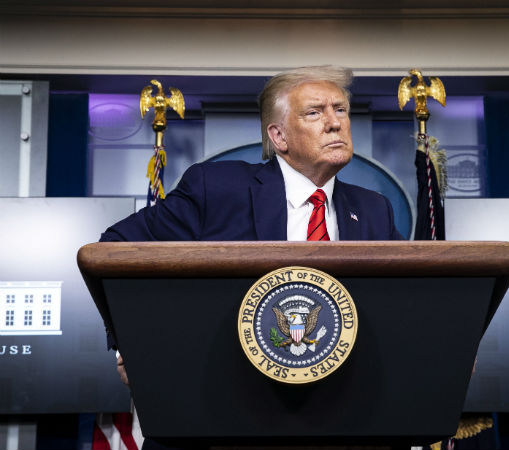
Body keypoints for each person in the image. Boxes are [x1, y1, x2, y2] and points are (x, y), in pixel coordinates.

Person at [101, 65, 404, 388]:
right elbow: (114, 250)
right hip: (226, 392)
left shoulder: (373, 209)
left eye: (340, 110)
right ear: (279, 136)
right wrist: (136, 342)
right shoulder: (216, 189)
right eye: (314, 113)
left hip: (343, 399)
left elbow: (408, 298)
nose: (334, 123)